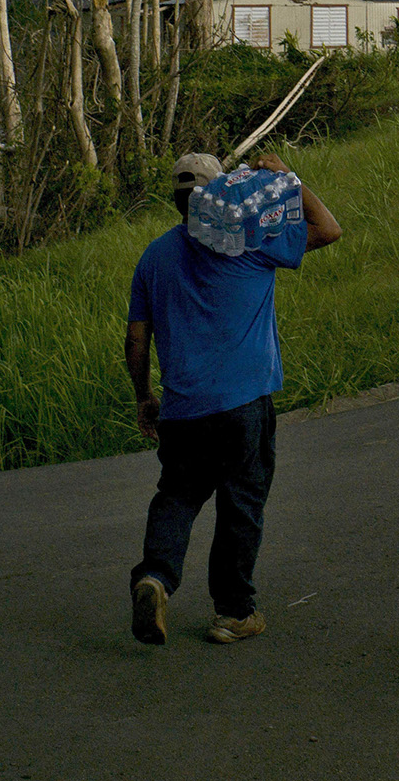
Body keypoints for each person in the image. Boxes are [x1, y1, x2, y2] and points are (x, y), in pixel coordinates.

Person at [128, 151, 343, 647]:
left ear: (177, 201)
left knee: (177, 495)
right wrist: (287, 176)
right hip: (243, 402)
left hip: (183, 408)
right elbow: (329, 229)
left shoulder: (154, 257)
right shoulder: (252, 240)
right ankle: (233, 612)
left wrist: (144, 396)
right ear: (221, 193)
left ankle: (155, 578)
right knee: (241, 503)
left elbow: (136, 339)